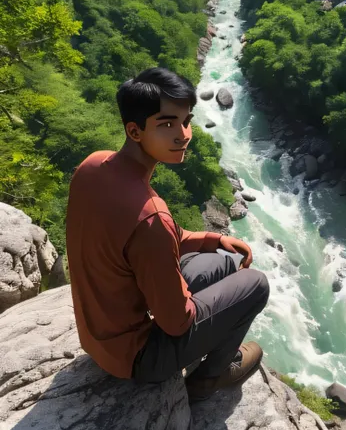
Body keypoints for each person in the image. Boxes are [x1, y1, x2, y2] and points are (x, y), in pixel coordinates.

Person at [66, 66, 269, 401]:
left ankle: (216, 338)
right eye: (167, 124)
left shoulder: (92, 166)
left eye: (186, 120)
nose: (183, 134)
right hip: (137, 359)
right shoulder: (151, 216)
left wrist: (212, 239)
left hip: (96, 338)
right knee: (255, 284)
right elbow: (176, 323)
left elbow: (145, 237)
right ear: (135, 131)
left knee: (219, 264)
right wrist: (197, 303)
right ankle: (209, 379)